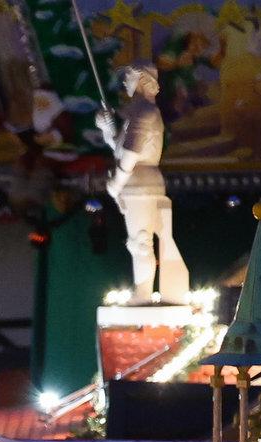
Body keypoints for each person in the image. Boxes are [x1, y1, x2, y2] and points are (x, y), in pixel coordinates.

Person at [101, 66, 190, 301]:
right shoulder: (138, 112)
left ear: (142, 79)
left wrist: (117, 182)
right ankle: (142, 291)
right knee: (138, 242)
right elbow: (124, 150)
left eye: (129, 78)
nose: (125, 83)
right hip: (138, 182)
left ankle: (143, 294)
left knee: (141, 242)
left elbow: (131, 153)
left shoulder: (144, 112)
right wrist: (108, 134)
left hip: (140, 184)